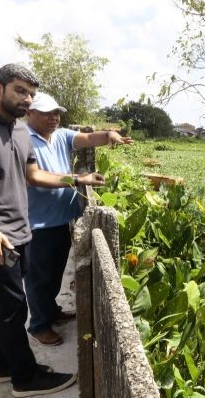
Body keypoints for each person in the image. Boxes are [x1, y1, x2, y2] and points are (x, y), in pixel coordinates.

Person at [0, 64, 104, 398]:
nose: (27, 99)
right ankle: (25, 377)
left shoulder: (17, 131)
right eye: (19, 91)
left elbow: (34, 175)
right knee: (13, 308)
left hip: (20, 230)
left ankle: (2, 365)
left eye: (30, 93)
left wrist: (76, 179)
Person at [24, 92, 132, 346]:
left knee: (54, 273)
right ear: (29, 114)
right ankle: (39, 325)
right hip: (38, 222)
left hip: (61, 218)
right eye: (47, 113)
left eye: (56, 112)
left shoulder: (61, 135)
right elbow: (34, 177)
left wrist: (109, 136)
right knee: (39, 279)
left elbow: (88, 138)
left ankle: (50, 312)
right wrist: (78, 178)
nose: (54, 117)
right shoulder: (23, 140)